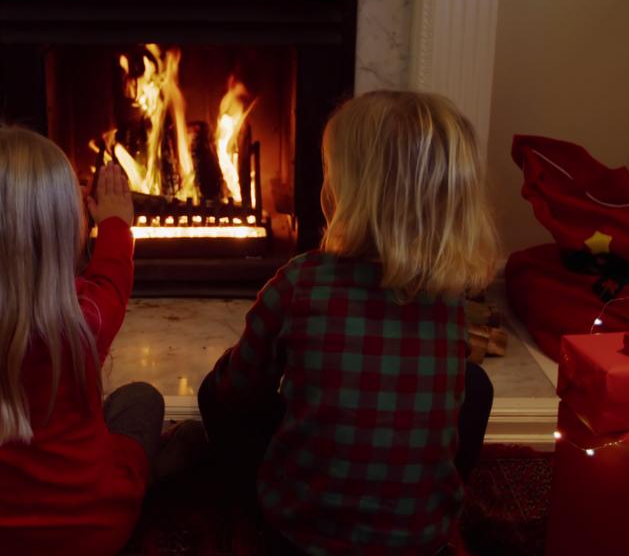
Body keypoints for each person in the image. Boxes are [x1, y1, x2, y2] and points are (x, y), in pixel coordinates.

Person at [197, 91, 499, 555]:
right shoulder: (449, 299)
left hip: (298, 539)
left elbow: (236, 390)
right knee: (475, 386)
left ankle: (249, 506)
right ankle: (423, 502)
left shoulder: (300, 281)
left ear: (347, 190)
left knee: (214, 392)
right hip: (420, 543)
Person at [0, 128, 162, 556]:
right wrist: (114, 222)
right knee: (142, 400)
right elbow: (112, 279)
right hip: (98, 532)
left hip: (2, 537)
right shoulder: (84, 317)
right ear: (65, 229)